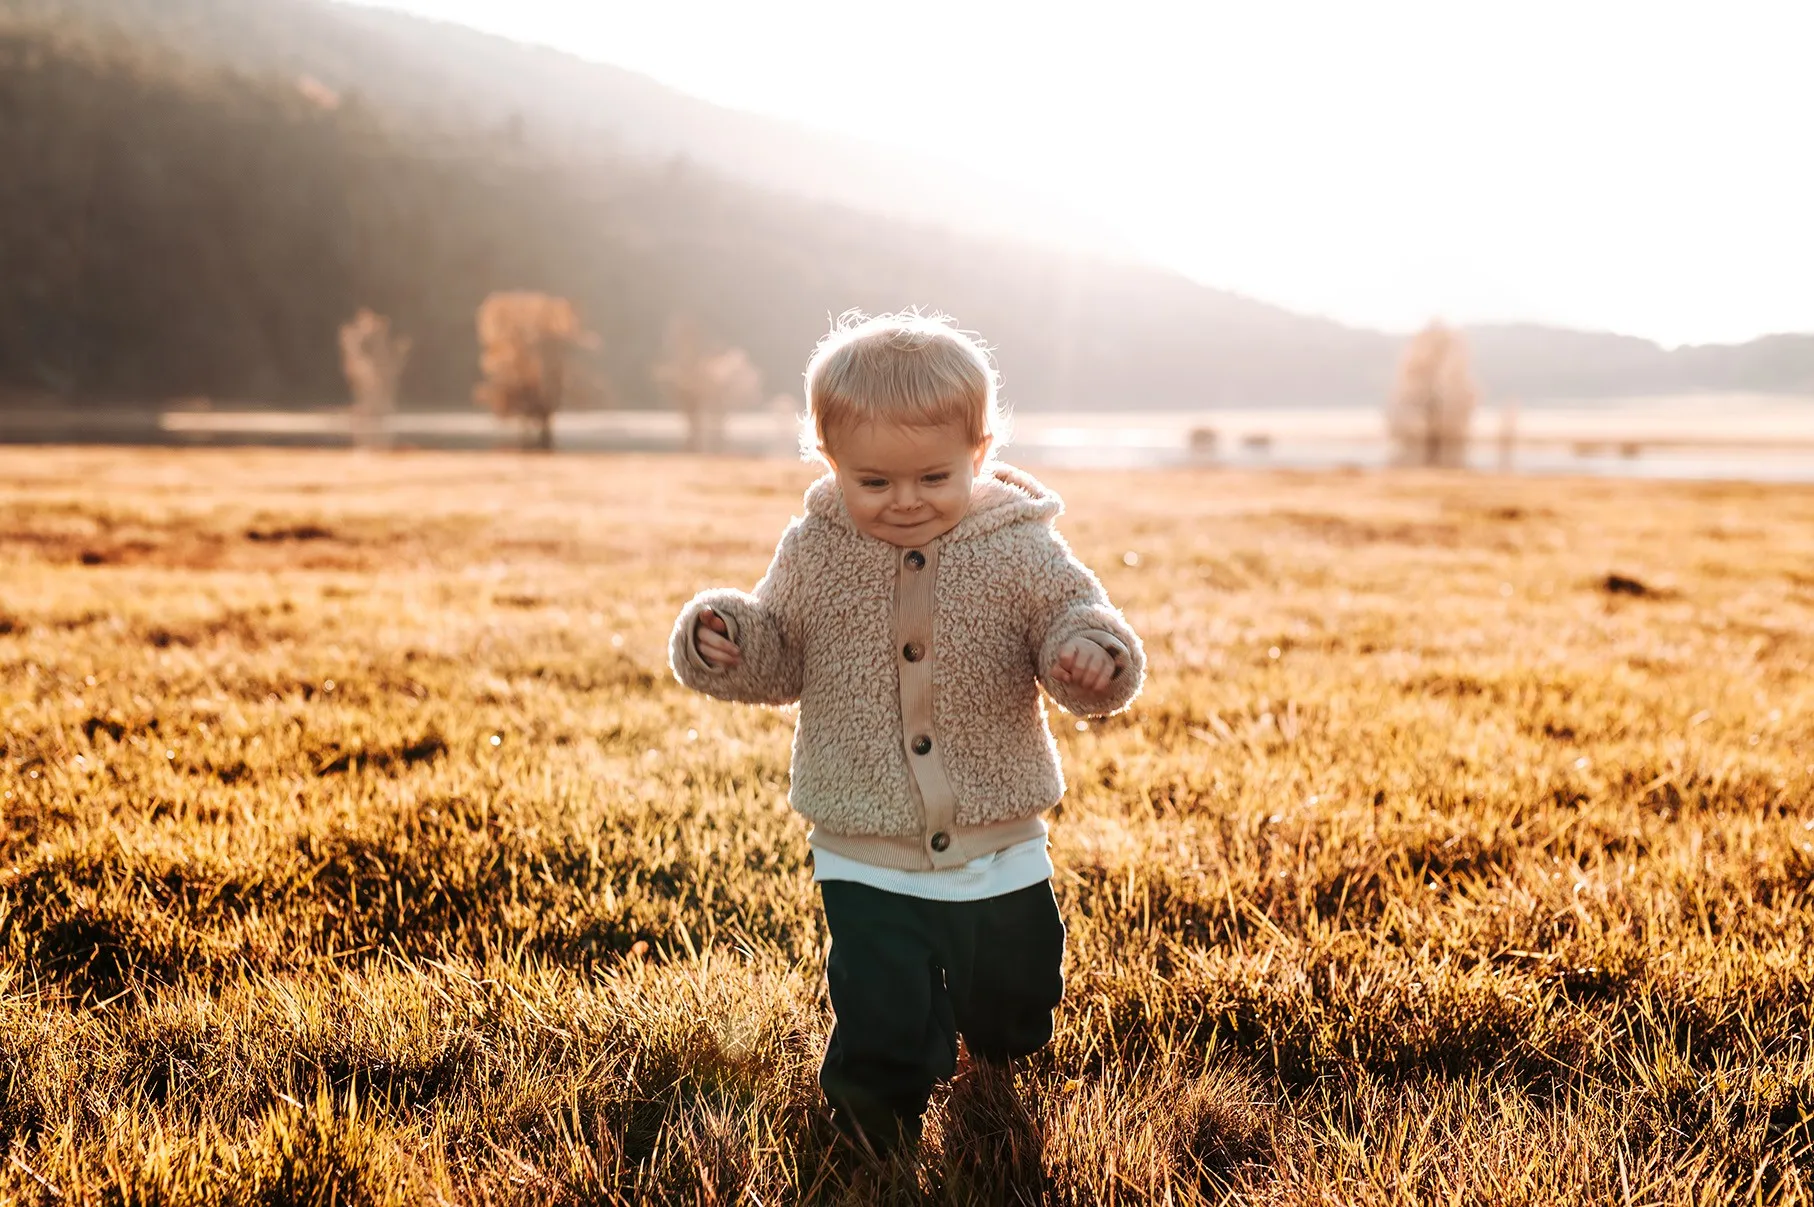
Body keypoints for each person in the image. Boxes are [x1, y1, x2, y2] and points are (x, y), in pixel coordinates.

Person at [668, 311, 1145, 1161]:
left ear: (982, 451)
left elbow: (1076, 614)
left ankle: (997, 1049)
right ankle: (870, 1125)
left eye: (933, 475)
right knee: (881, 1011)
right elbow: (779, 650)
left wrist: (1088, 653)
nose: (906, 500)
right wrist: (727, 636)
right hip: (866, 845)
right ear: (828, 461)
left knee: (1017, 999)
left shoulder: (1021, 546)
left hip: (1002, 843)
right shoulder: (817, 548)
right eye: (874, 481)